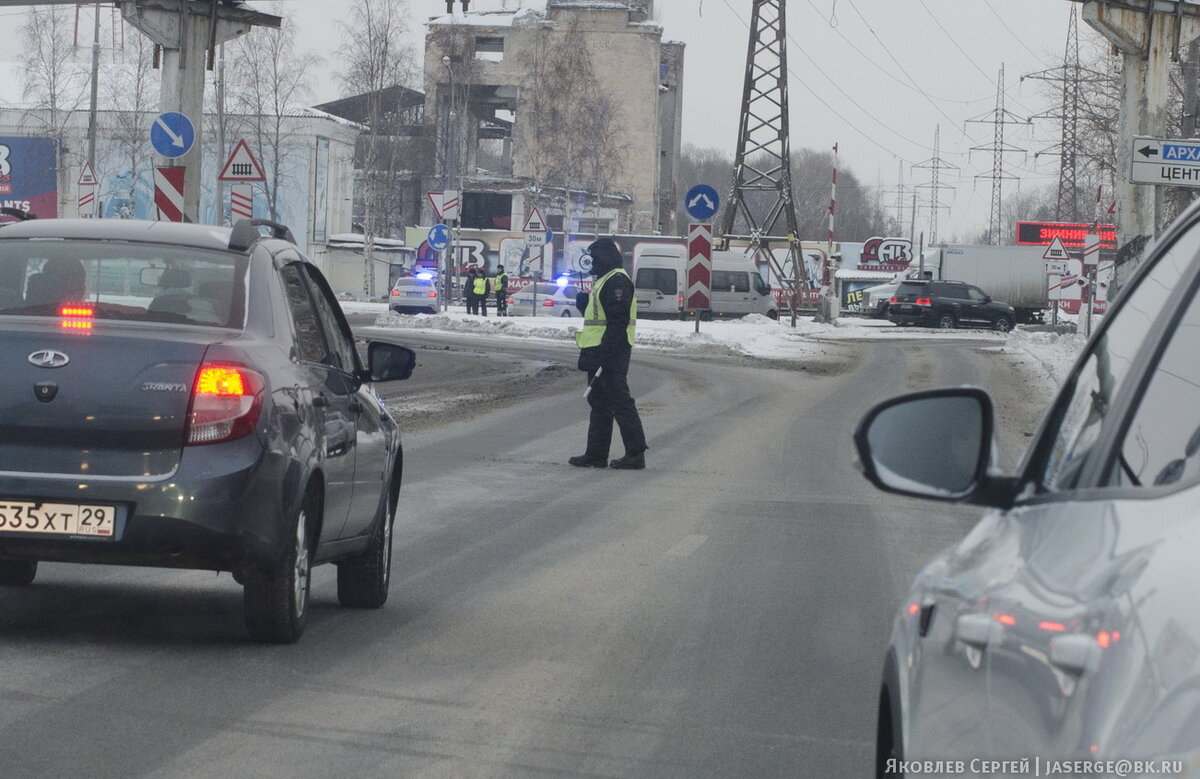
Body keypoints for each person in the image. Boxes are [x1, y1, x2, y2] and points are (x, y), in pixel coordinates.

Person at [569, 237, 648, 470]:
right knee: (599, 402)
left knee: (620, 401)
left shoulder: (617, 281)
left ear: (603, 257)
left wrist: (608, 353)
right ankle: (596, 454)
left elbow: (618, 320)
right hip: (598, 349)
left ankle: (636, 454)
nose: (591, 263)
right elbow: (599, 316)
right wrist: (583, 303)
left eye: (593, 258)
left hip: (612, 350)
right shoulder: (603, 280)